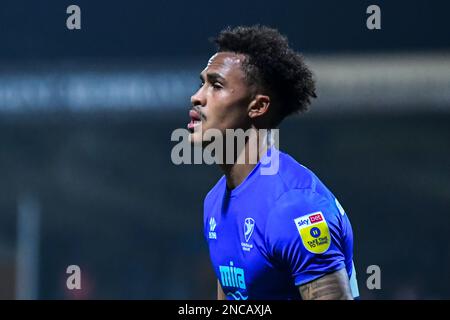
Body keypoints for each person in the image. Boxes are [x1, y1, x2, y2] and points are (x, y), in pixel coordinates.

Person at [187, 25, 359, 300]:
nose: (197, 96)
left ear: (257, 106)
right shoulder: (214, 200)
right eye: (202, 83)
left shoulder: (294, 206)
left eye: (216, 85)